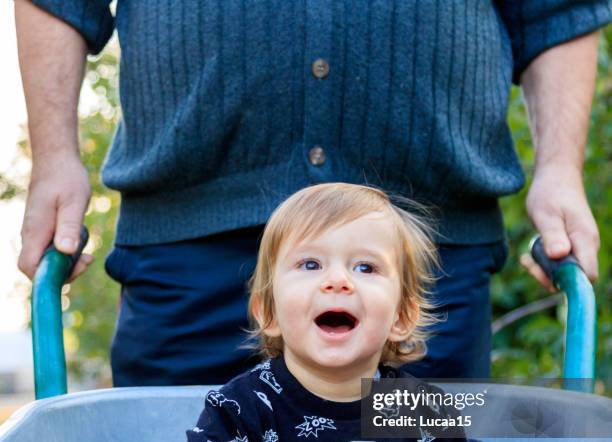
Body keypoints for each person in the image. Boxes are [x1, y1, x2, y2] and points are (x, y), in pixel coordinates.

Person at [14, 1, 610, 383]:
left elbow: (557, 9)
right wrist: (55, 159)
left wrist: (559, 168)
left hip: (422, 265)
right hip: (193, 255)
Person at [135, 183, 547, 442]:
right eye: (310, 264)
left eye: (366, 268)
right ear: (269, 311)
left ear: (401, 316)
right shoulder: (245, 410)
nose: (337, 281)